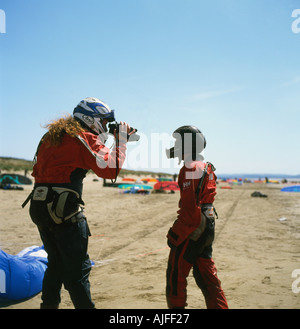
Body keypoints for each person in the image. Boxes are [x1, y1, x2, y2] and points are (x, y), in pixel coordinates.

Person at [24, 97, 134, 309]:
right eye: (103, 121)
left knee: (55, 265)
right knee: (78, 272)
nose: (104, 126)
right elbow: (111, 169)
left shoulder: (51, 136)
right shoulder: (82, 137)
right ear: (90, 119)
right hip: (63, 211)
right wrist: (120, 140)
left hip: (40, 208)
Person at [165, 125, 228, 309]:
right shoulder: (207, 166)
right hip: (209, 224)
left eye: (177, 142)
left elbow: (190, 211)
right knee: (208, 278)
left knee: (175, 277)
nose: (174, 146)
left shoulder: (189, 168)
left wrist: (175, 235)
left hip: (195, 228)